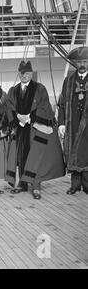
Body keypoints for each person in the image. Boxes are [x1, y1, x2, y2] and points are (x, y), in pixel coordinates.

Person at [6, 61, 64, 200]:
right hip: (20, 128)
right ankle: (23, 183)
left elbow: (45, 107)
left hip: (34, 128)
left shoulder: (39, 88)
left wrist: (30, 117)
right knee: (20, 155)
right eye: (21, 73)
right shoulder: (13, 90)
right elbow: (9, 107)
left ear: (31, 74)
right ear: (18, 74)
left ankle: (36, 186)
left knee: (35, 156)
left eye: (26, 73)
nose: (24, 76)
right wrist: (17, 117)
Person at [58, 46, 88, 195]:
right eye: (79, 61)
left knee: (85, 152)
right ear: (75, 63)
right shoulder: (68, 80)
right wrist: (61, 123)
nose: (82, 64)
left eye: (85, 61)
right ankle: (75, 185)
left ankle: (87, 185)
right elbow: (62, 103)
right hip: (72, 121)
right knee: (72, 151)